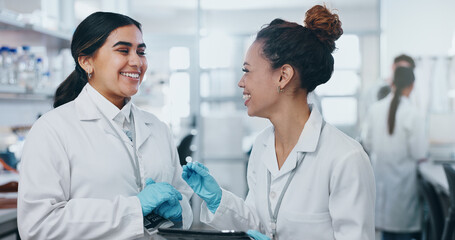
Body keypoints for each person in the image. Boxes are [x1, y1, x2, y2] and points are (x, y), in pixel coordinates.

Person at [182, 5, 375, 240]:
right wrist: (218, 200)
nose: (241, 83)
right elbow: (259, 226)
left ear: (283, 76)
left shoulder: (345, 158)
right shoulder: (261, 146)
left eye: (247, 71)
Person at [17, 12, 193, 239]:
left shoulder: (157, 128)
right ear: (86, 61)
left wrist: (181, 213)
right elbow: (38, 225)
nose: (137, 61)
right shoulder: (52, 130)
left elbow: (182, 196)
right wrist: (133, 208)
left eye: (141, 52)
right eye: (123, 50)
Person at [363, 66, 427, 240]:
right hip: (403, 188)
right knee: (402, 232)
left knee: (387, 233)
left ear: (392, 83)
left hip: (382, 185)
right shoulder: (413, 114)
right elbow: (419, 152)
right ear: (412, 86)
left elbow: (367, 143)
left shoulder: (375, 109)